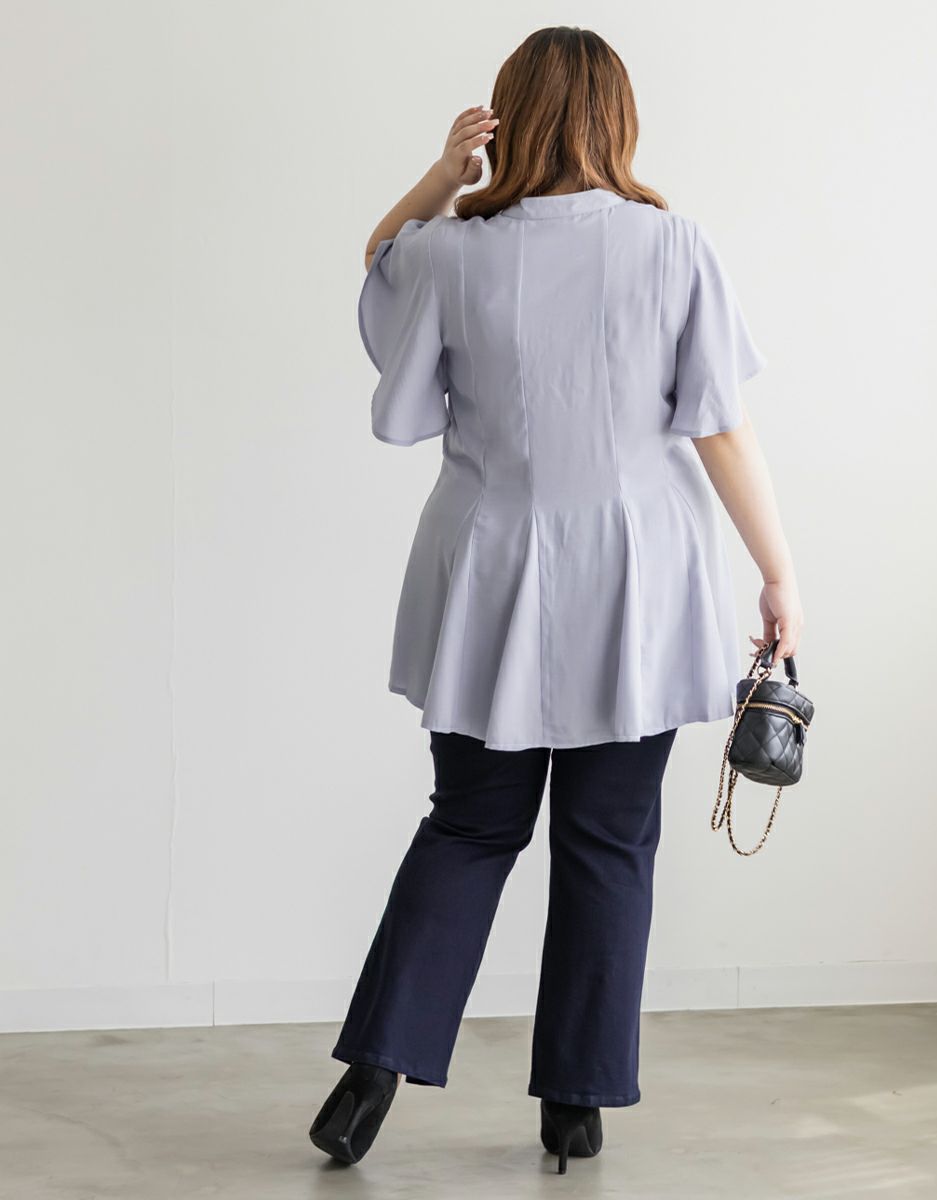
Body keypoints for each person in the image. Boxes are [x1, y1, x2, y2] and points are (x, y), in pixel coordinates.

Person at [309, 25, 804, 1175]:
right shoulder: (672, 245)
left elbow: (379, 262)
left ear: (512, 118)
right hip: (637, 575)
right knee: (608, 839)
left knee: (470, 823)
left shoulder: (452, 251)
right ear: (617, 120)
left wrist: (442, 176)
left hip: (489, 567)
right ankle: (574, 1101)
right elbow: (721, 427)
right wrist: (778, 572)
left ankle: (372, 1070)